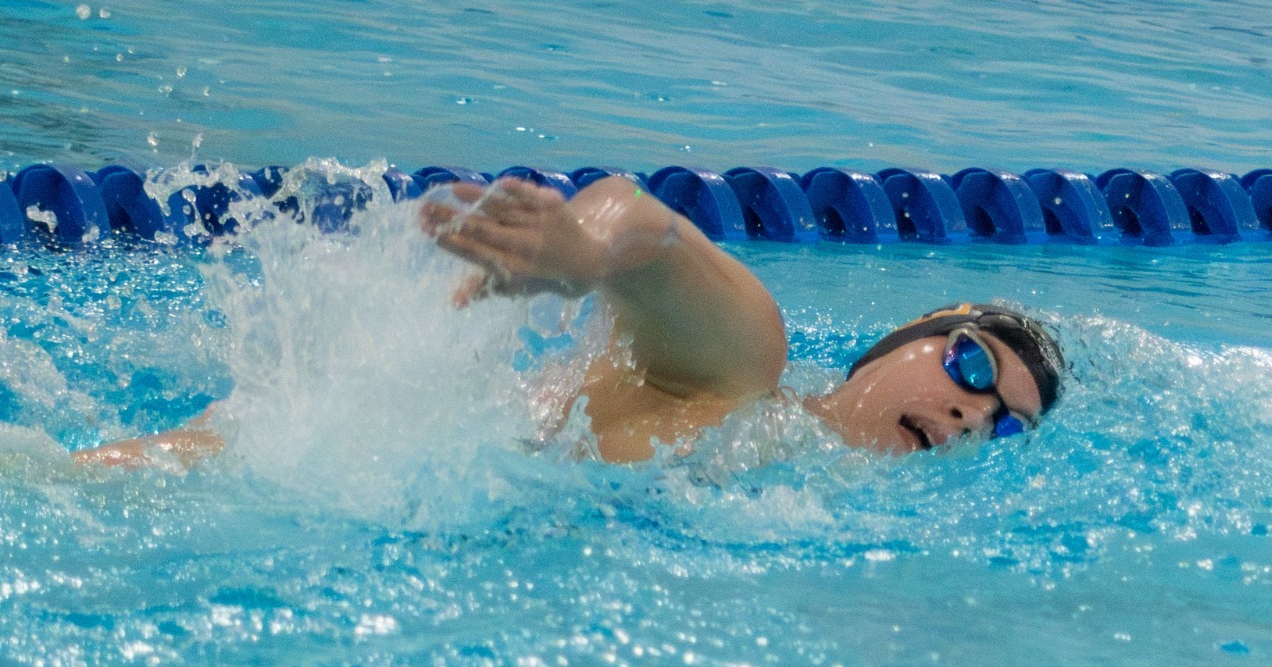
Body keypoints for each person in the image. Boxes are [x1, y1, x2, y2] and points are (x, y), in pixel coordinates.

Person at [72, 176, 1066, 467]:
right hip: (311, 465)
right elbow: (644, 224)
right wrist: (579, 254)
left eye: (1003, 423)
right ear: (899, 342)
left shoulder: (803, 496)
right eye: (972, 370)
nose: (969, 414)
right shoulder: (745, 370)